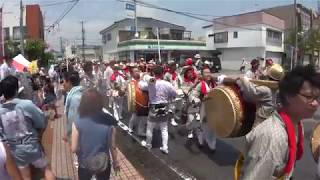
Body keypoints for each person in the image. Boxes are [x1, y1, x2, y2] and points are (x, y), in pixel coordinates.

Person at [240, 65, 320, 179]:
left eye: (317, 98)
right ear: (288, 96)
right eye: (309, 97)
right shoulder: (272, 138)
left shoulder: (297, 122)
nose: (315, 103)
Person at [0, 75, 55, 180]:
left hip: (16, 150)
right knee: (46, 170)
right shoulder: (26, 104)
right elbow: (41, 121)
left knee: (26, 176)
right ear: (17, 89)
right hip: (32, 146)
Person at [71, 88, 119, 180]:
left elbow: (74, 148)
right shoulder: (109, 120)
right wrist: (115, 162)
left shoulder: (77, 122)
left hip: (85, 163)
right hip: (103, 163)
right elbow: (112, 146)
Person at [139, 65, 177, 154]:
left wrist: (143, 77)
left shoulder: (151, 83)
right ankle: (165, 147)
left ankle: (148, 145)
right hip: (164, 106)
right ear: (163, 73)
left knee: (150, 128)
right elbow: (175, 93)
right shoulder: (167, 84)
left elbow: (140, 86)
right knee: (164, 128)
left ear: (153, 73)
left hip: (153, 107)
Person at [190, 67, 216, 151]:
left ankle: (211, 144)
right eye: (206, 73)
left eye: (209, 72)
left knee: (212, 128)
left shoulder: (214, 83)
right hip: (203, 109)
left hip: (213, 109)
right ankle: (200, 141)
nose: (208, 74)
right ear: (202, 75)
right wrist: (197, 100)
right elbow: (193, 95)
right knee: (202, 126)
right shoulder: (201, 84)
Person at [63, 71, 84, 141]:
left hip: (79, 138)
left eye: (64, 82)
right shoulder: (81, 93)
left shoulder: (74, 99)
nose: (63, 84)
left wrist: (69, 134)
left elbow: (73, 120)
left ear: (69, 82)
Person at [128, 66, 147, 136]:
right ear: (132, 74)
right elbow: (130, 95)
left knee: (143, 118)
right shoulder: (131, 82)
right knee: (134, 117)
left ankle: (140, 132)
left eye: (138, 71)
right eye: (135, 71)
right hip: (136, 103)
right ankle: (130, 127)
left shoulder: (142, 80)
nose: (137, 72)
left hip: (144, 102)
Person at [164, 60, 182, 127]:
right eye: (173, 65)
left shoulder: (177, 73)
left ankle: (175, 115)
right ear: (170, 66)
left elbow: (179, 82)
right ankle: (172, 119)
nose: (174, 67)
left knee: (178, 106)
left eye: (174, 65)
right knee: (172, 107)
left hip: (178, 91)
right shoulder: (167, 75)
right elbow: (166, 85)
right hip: (171, 92)